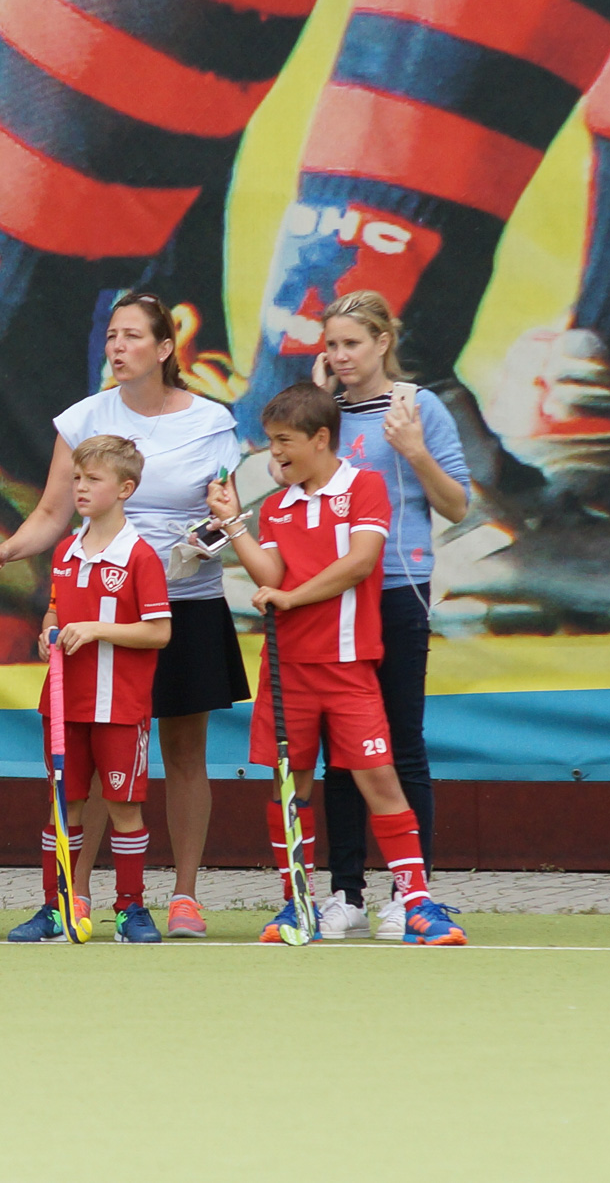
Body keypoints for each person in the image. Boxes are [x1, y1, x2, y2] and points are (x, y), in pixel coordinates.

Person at [0, 293, 249, 937]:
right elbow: (51, 513)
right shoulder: (84, 417)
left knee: (184, 752)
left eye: (132, 336)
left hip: (186, 605)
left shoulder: (212, 421)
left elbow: (226, 512)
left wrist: (201, 545)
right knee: (97, 751)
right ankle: (74, 897)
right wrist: (1, 552)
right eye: (111, 335)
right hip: (99, 615)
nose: (117, 346)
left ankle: (184, 898)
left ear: (164, 348)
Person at [208, 382, 466, 946]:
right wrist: (232, 524)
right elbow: (270, 576)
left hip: (348, 668)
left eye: (284, 441)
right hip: (287, 671)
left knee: (380, 779)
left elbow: (360, 564)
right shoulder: (276, 505)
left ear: (321, 438)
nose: (275, 452)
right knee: (290, 786)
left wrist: (292, 598)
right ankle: (296, 902)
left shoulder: (365, 487)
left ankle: (416, 903)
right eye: (271, 441)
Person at [310, 291, 470, 939]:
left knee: (401, 744)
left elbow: (457, 505)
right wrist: (313, 411)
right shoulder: (322, 413)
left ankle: (412, 894)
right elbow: (293, 488)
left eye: (352, 343)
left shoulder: (418, 407)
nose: (340, 356)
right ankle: (345, 893)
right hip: (331, 595)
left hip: (399, 589)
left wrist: (414, 450)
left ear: (383, 342)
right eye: (331, 345)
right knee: (342, 751)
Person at [8, 436, 172, 944]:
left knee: (125, 808)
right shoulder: (65, 551)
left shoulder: (141, 556)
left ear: (125, 489)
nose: (80, 487)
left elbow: (159, 632)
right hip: (65, 705)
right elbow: (55, 610)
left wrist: (98, 630)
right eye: (76, 478)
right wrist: (48, 631)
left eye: (92, 479)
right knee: (64, 805)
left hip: (120, 706)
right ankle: (55, 907)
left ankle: (130, 910)